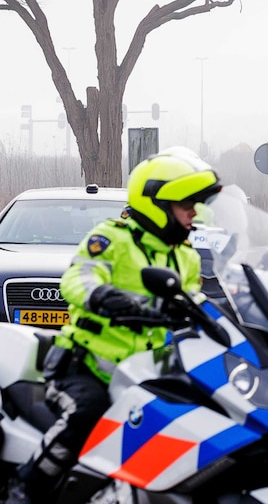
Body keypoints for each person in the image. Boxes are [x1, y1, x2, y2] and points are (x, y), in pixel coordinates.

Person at [15, 147, 222, 503]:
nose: (194, 213)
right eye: (186, 204)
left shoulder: (186, 256)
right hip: (87, 368)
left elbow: (194, 303)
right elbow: (78, 278)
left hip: (149, 372)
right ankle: (23, 490)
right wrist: (103, 296)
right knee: (86, 414)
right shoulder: (112, 238)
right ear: (156, 204)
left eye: (197, 205)